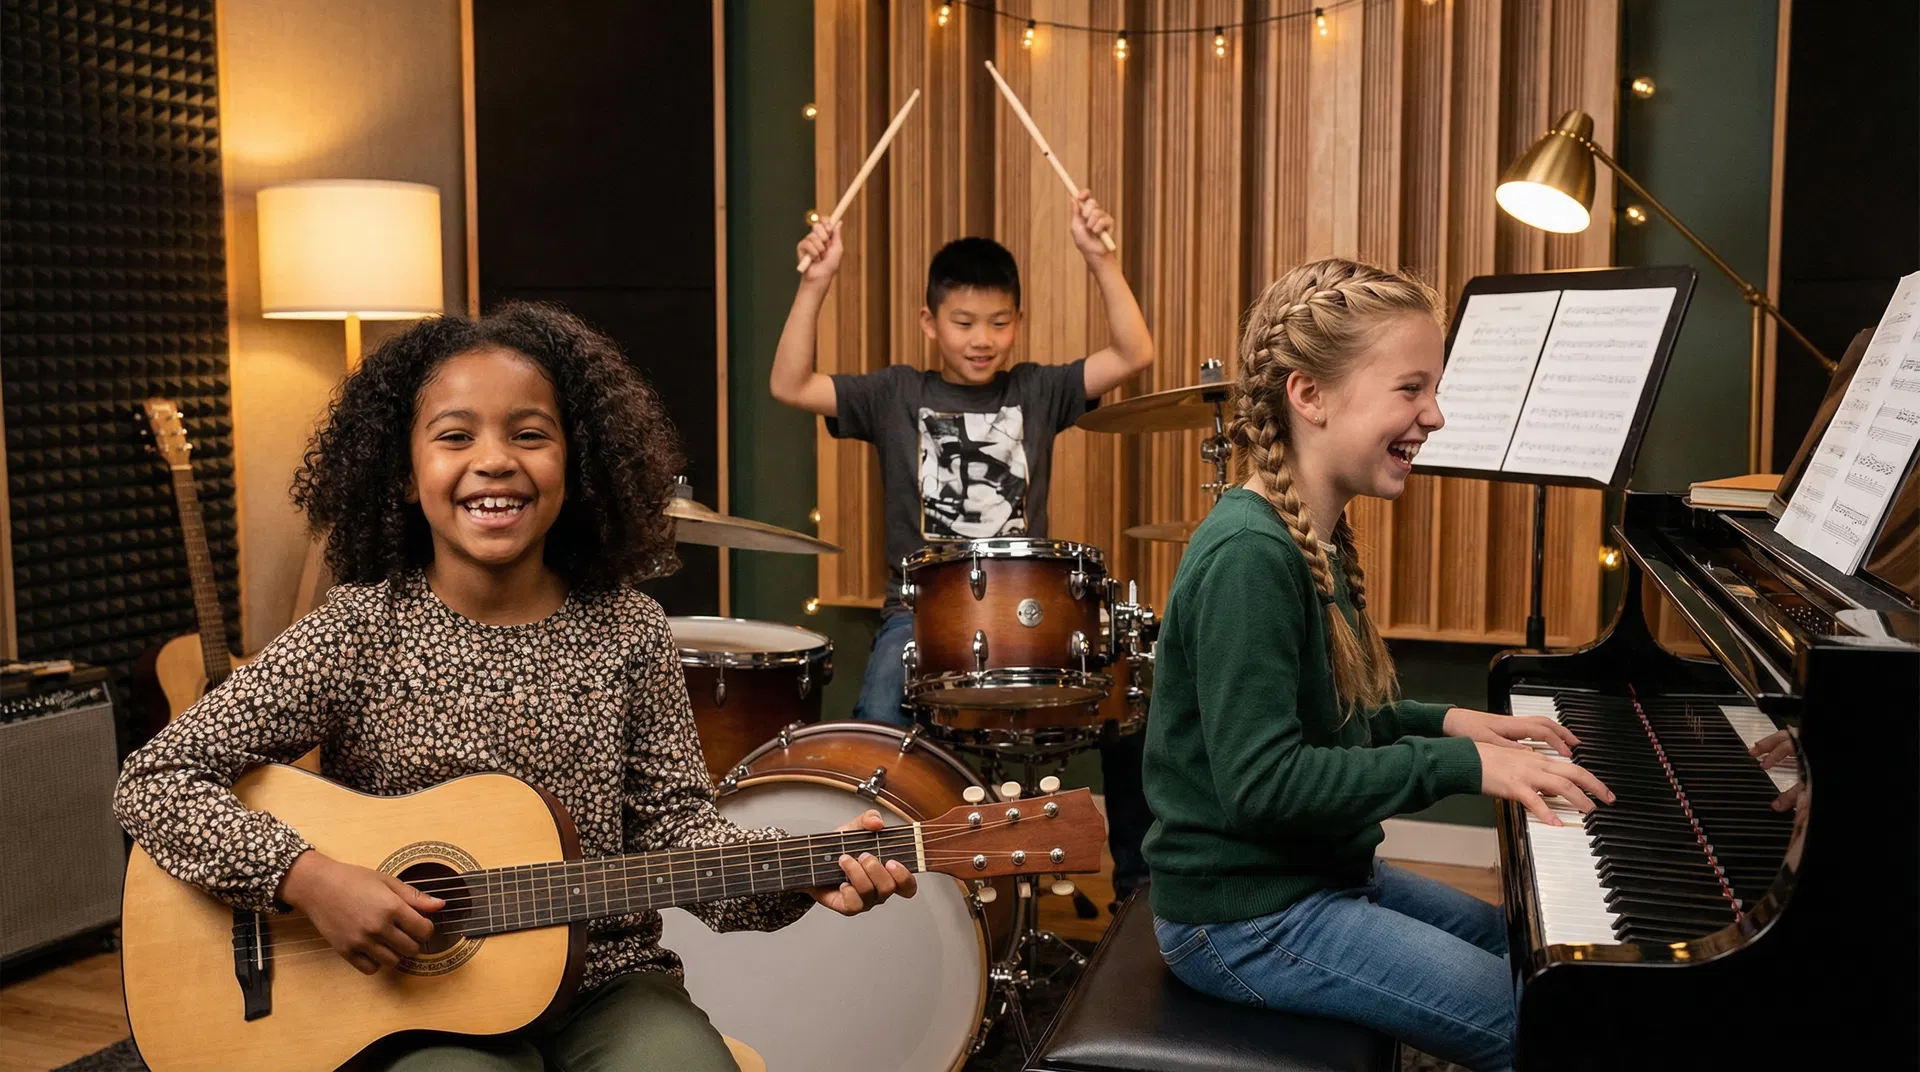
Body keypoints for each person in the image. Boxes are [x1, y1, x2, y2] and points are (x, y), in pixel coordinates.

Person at [113, 304, 917, 1072]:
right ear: (402, 474)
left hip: (607, 983)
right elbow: (152, 782)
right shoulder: (358, 628)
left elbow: (677, 832)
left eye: (529, 435)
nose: (494, 460)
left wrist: (796, 875)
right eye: (455, 435)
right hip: (406, 1000)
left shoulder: (629, 630)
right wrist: (310, 879)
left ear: (578, 464)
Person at [1139, 259, 1614, 1072]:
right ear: (1309, 395)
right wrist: (1458, 765)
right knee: (1553, 1030)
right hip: (1241, 921)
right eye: (1410, 388)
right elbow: (1266, 787)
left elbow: (1336, 722)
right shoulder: (1250, 557)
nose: (1435, 413)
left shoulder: (1310, 536)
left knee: (1543, 965)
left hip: (1317, 879)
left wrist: (1457, 721)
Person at [769, 194, 1159, 902]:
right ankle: (877, 890)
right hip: (917, 618)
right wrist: (816, 280)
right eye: (964, 322)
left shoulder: (1037, 390)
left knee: (1130, 705)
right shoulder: (895, 394)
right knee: (878, 722)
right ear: (931, 322)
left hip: (1027, 618)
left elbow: (1135, 352)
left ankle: (1139, 889)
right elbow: (789, 384)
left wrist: (1100, 255)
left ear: (1018, 323)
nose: (983, 339)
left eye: (1000, 323)